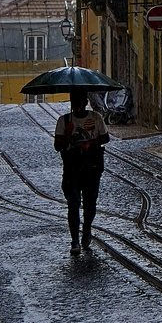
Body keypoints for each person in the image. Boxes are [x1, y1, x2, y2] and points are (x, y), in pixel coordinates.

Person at [54, 91, 110, 255]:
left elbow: (105, 138)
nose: (77, 105)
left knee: (90, 204)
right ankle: (74, 241)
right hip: (72, 167)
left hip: (92, 167)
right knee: (73, 204)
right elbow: (58, 146)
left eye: (79, 102)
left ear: (85, 102)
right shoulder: (64, 121)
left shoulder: (96, 118)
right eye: (74, 102)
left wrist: (91, 142)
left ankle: (86, 229)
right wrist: (67, 134)